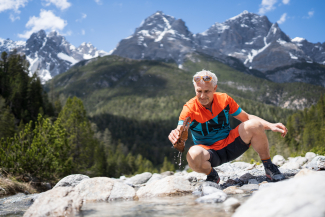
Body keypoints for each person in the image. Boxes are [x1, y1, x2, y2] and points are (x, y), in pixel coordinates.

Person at [168, 70, 288, 183]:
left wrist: (270, 125)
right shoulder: (189, 109)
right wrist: (175, 134)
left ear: (215, 88)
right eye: (199, 91)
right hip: (209, 154)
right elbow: (180, 128)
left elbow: (246, 118)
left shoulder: (224, 99)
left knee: (254, 124)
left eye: (207, 91)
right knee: (192, 154)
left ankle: (269, 166)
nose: (202, 96)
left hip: (231, 144)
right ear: (195, 89)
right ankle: (212, 175)